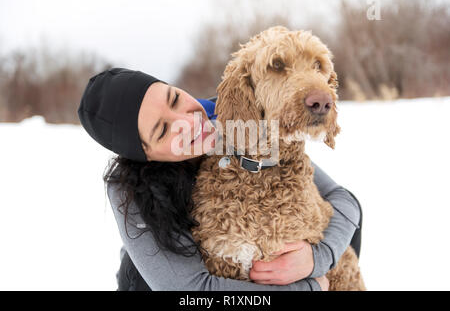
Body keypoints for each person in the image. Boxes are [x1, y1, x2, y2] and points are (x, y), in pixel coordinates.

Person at [78, 68, 362, 291]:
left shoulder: (234, 120)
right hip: (170, 285)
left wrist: (318, 258)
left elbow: (343, 200)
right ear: (144, 155)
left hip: (248, 268)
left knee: (338, 228)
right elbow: (186, 288)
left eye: (175, 98)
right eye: (163, 130)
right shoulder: (126, 189)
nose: (188, 121)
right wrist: (308, 288)